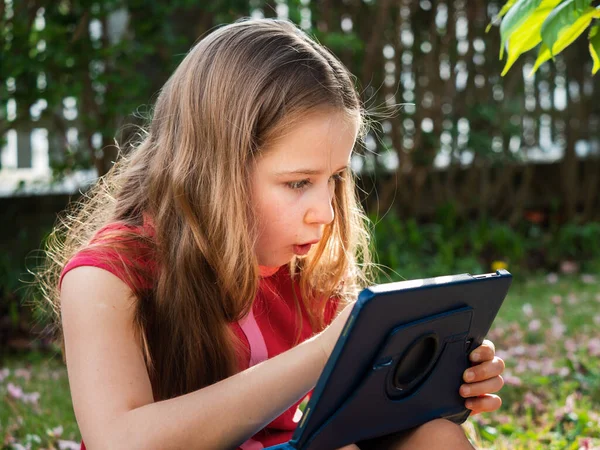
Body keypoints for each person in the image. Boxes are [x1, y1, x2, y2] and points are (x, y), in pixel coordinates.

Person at [38, 18, 505, 450]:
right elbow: (121, 441)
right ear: (212, 171)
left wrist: (428, 379)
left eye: (335, 178)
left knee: (436, 437)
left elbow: (346, 421)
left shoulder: (299, 268)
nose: (324, 213)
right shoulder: (108, 277)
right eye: (298, 183)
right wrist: (325, 352)